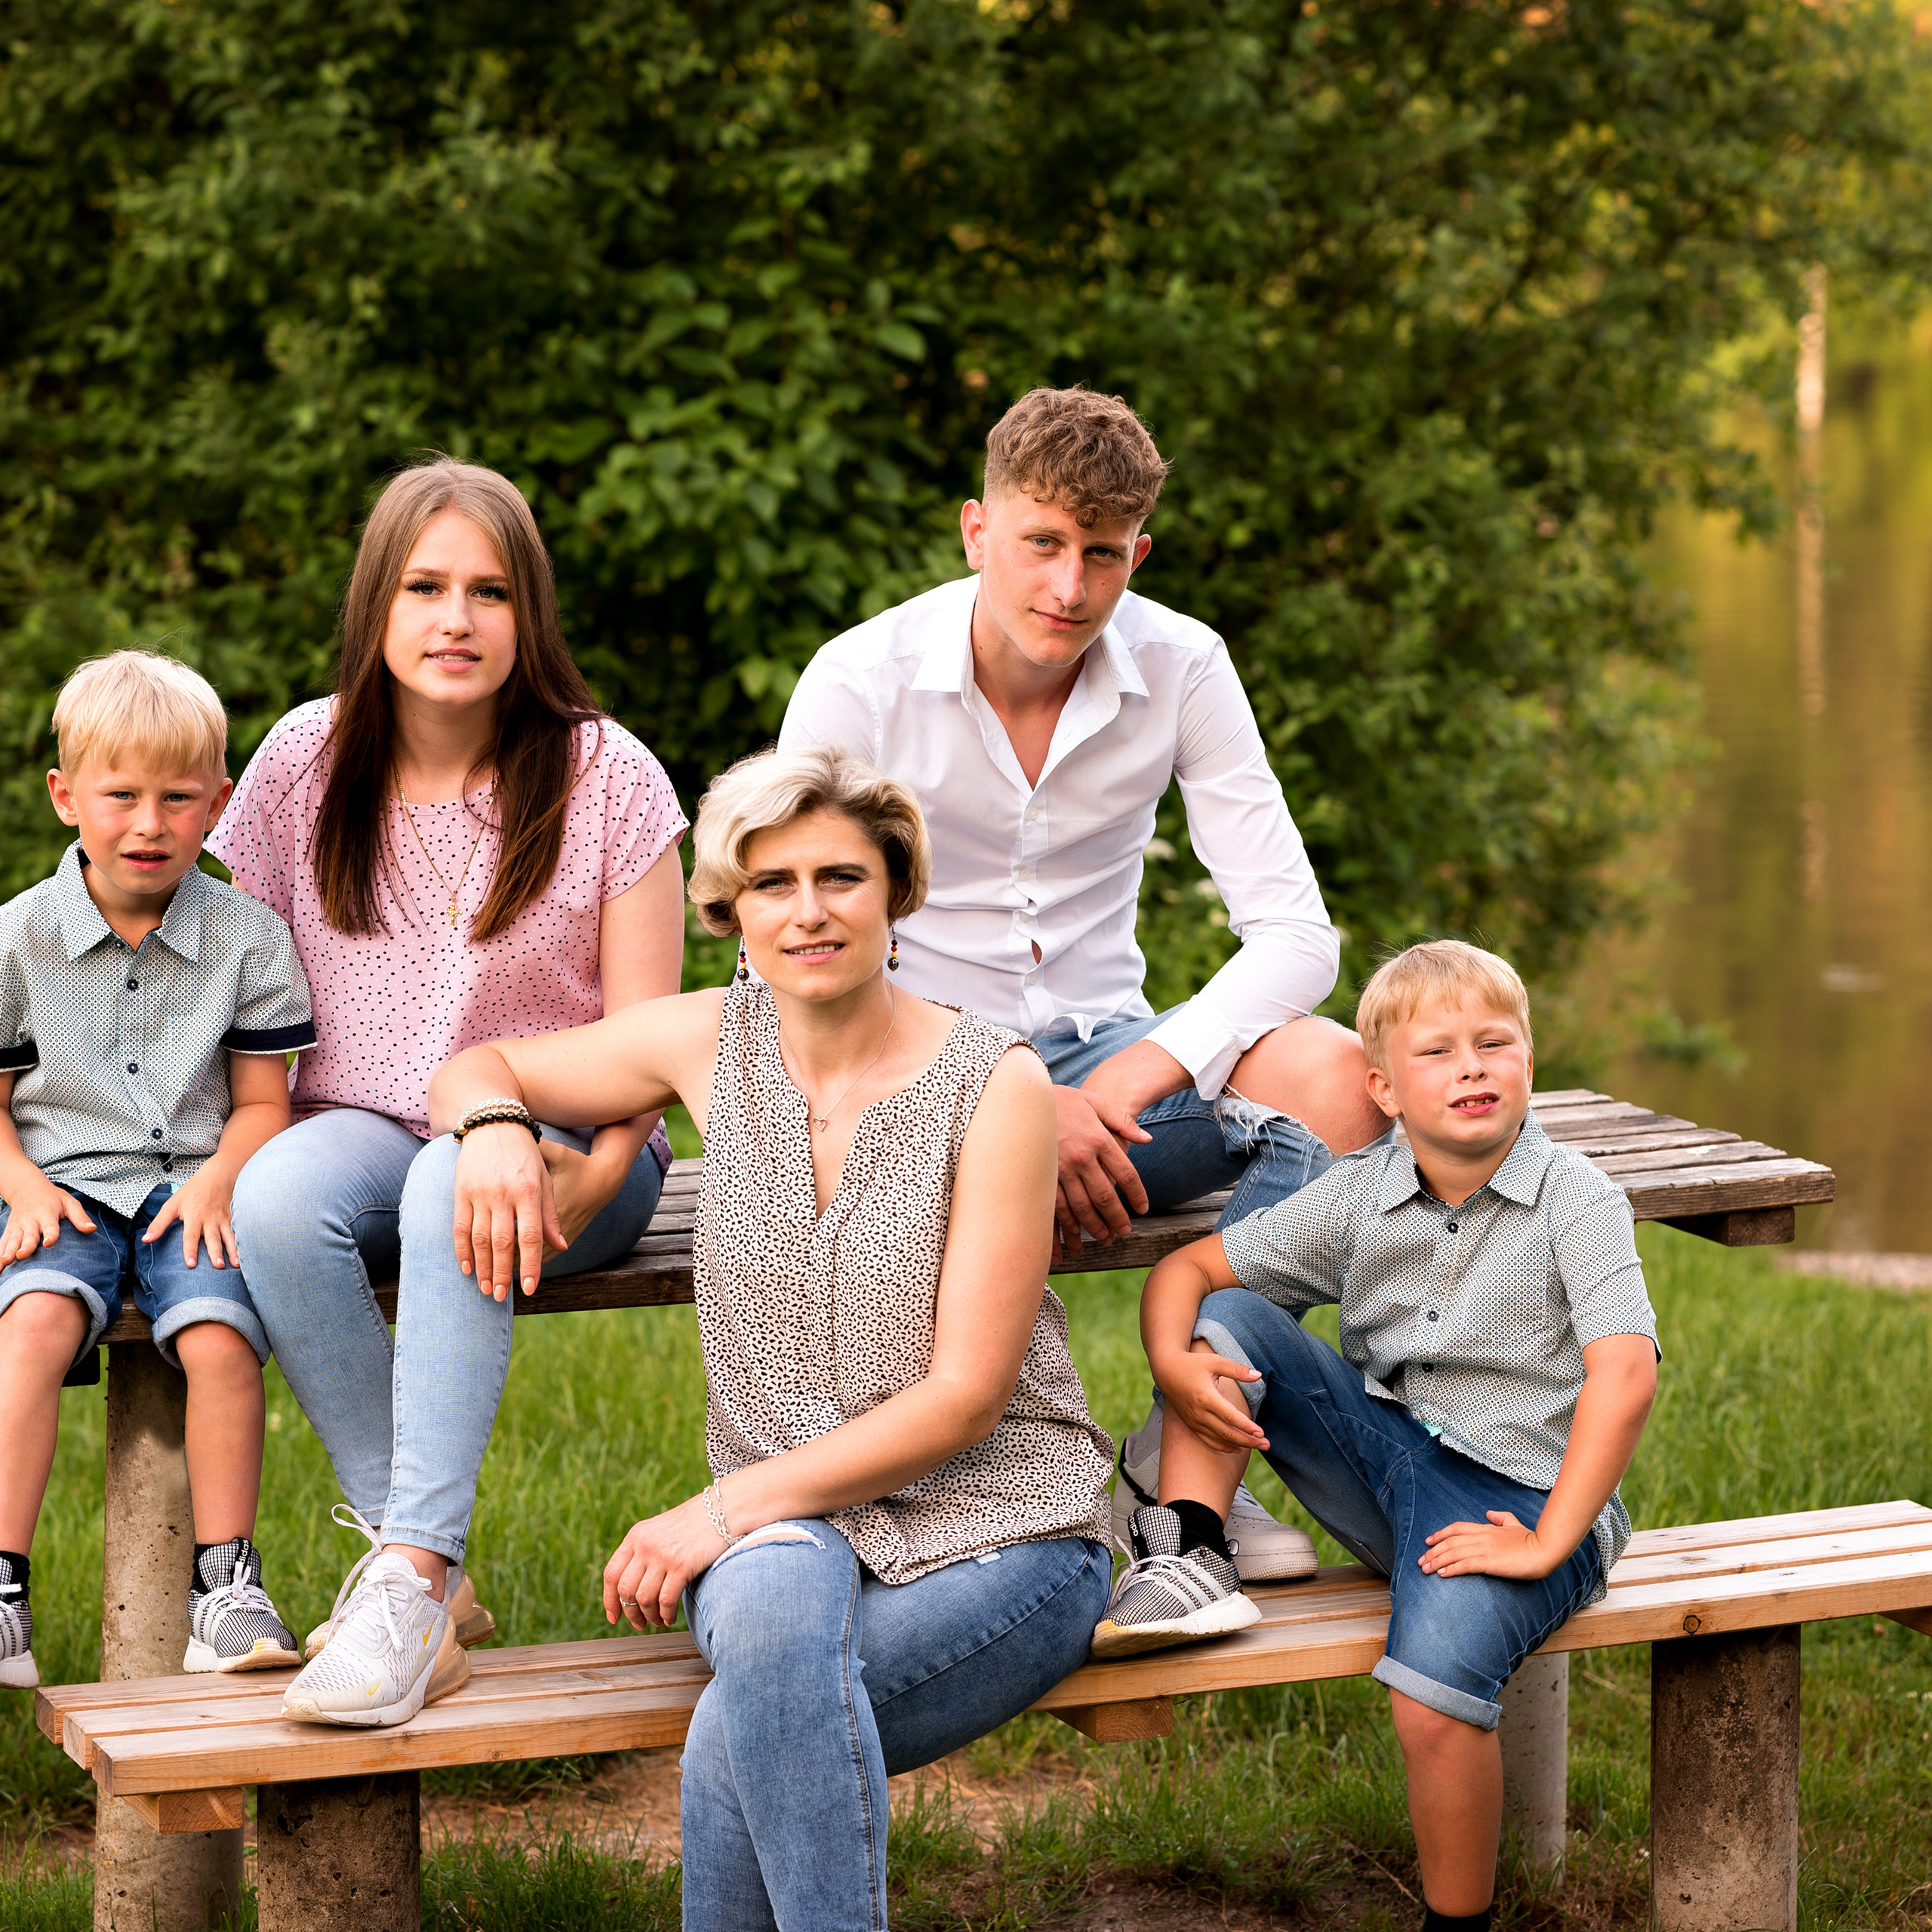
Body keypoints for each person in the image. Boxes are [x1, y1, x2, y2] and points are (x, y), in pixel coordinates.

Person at [427, 744, 1114, 1930]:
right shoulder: (704, 1043)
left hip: (1006, 1530)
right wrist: (494, 1130)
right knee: (768, 1629)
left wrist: (721, 1511)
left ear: (896, 893)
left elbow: (963, 1398)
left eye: (841, 877)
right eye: (773, 883)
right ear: (727, 911)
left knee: (733, 1733)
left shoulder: (995, 1085)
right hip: (791, 1536)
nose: (809, 912)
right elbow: (474, 1068)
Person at [779, 383, 1386, 1581]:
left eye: (1100, 556)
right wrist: (1009, 1096)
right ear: (976, 531)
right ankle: (961, 1509)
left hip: (1113, 1075)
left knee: (1332, 1074)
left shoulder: (1182, 665)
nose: (1067, 589)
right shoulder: (862, 681)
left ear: (1137, 552)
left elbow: (1298, 936)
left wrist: (1126, 1076)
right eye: (1041, 545)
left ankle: (1187, 1471)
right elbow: (792, 956)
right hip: (908, 1096)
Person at [211, 460, 688, 1727]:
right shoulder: (302, 763)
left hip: (580, 1139)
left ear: (529, 615)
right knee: (277, 1196)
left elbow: (654, 1034)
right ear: (378, 603)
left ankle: (408, 1577)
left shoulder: (607, 775)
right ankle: (427, 1576)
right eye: (425, 586)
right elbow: (217, 967)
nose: (455, 620)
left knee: (450, 1181)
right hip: (357, 1120)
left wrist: (602, 1156)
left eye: (489, 592)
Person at [1097, 940, 1659, 1932]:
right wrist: (1175, 1365)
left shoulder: (1578, 1197)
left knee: (1431, 1704)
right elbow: (1187, 1273)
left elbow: (1625, 1373)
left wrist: (1551, 1539)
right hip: (1385, 1461)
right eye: (1437, 1052)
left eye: (1496, 1042)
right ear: (1383, 1088)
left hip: (1516, 1499)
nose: (1473, 1067)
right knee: (1227, 1325)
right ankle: (1189, 1544)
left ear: (1531, 1055)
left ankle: (1457, 1923)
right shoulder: (1362, 1190)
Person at [0, 653, 315, 1690]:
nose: (149, 823)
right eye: (121, 795)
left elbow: (264, 1101)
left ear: (217, 805)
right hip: (63, 1181)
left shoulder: (248, 938)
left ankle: (226, 1586)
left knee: (223, 1341)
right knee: (35, 1324)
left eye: (179, 799)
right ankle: (2, 1583)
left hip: (194, 1184)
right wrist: (23, 1185)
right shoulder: (17, 940)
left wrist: (224, 1178)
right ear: (65, 797)